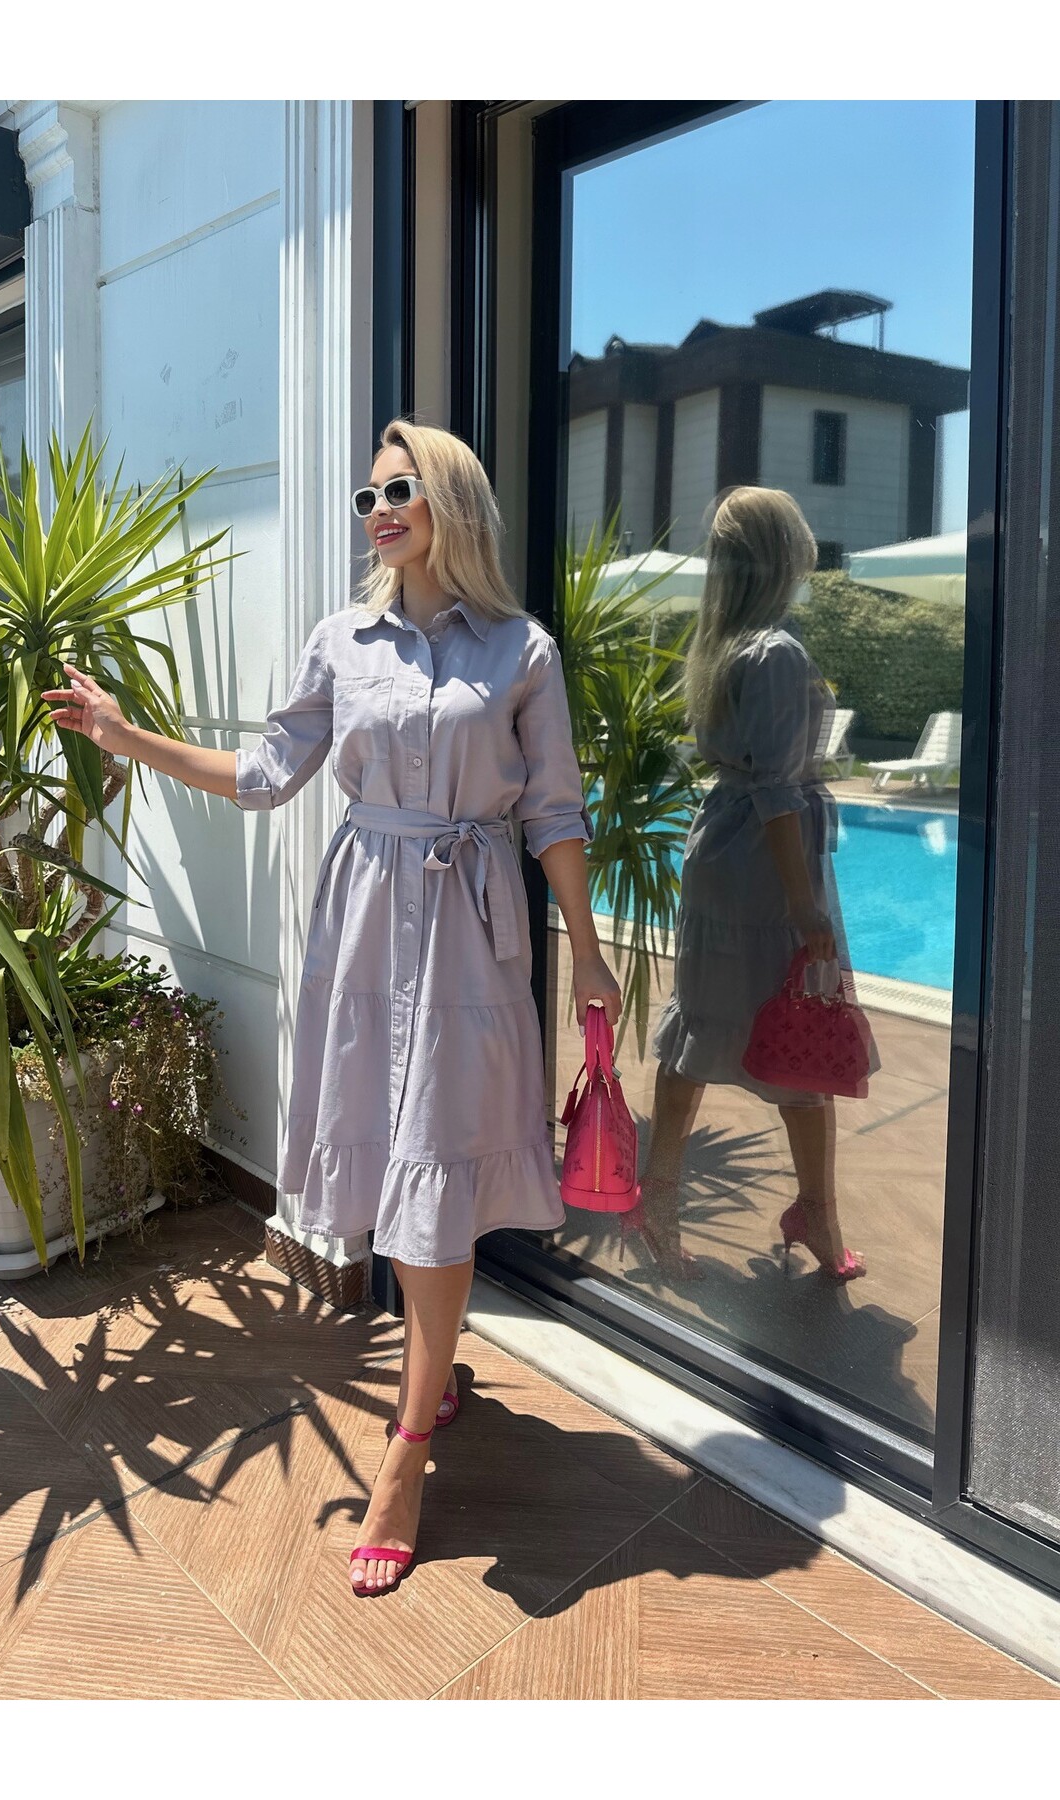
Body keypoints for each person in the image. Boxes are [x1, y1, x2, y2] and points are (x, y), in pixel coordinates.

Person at [44, 420, 621, 1596]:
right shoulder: (339, 643)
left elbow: (554, 812)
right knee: (391, 1165)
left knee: (438, 1172)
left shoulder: (522, 651)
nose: (379, 511)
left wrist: (592, 954)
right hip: (361, 926)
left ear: (452, 500)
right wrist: (122, 735)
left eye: (399, 489)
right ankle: (433, 1371)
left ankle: (406, 1452)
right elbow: (264, 777)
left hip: (467, 932)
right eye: (367, 497)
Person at [635, 485, 877, 1282]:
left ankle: (659, 1202)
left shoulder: (725, 645)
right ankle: (816, 1213)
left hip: (724, 852)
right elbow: (777, 791)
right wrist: (805, 905)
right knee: (803, 1028)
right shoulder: (774, 651)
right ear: (782, 554)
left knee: (704, 1026)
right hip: (764, 870)